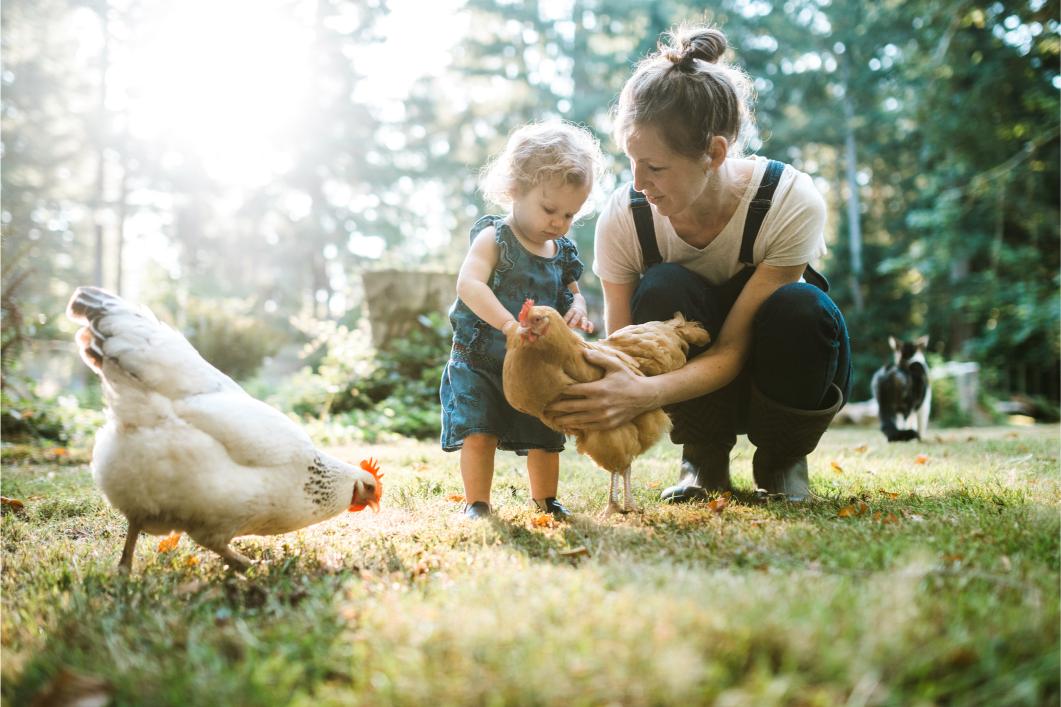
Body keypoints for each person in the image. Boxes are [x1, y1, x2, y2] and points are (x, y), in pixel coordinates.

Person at [546, 25, 851, 502]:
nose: (639, 182)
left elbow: (732, 350)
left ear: (714, 152)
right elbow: (624, 350)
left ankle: (782, 461)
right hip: (690, 394)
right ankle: (702, 461)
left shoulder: (790, 200)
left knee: (801, 305)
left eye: (657, 167)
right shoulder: (626, 218)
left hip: (784, 372)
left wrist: (646, 394)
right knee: (663, 285)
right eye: (632, 161)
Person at [440, 120, 602, 520]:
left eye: (570, 214)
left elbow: (571, 290)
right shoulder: (495, 238)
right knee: (479, 431)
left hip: (534, 366)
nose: (559, 223)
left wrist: (578, 309)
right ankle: (477, 503)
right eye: (550, 210)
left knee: (545, 437)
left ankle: (547, 499)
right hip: (481, 358)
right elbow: (470, 284)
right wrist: (508, 325)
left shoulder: (561, 250)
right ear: (515, 189)